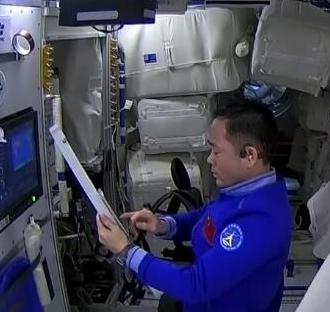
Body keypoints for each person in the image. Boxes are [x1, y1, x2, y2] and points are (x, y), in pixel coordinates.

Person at [96, 99, 292, 312]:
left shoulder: (261, 222)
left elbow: (196, 285)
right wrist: (163, 224)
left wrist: (126, 250)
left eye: (216, 151)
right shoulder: (243, 191)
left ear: (250, 156)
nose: (210, 159)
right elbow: (207, 216)